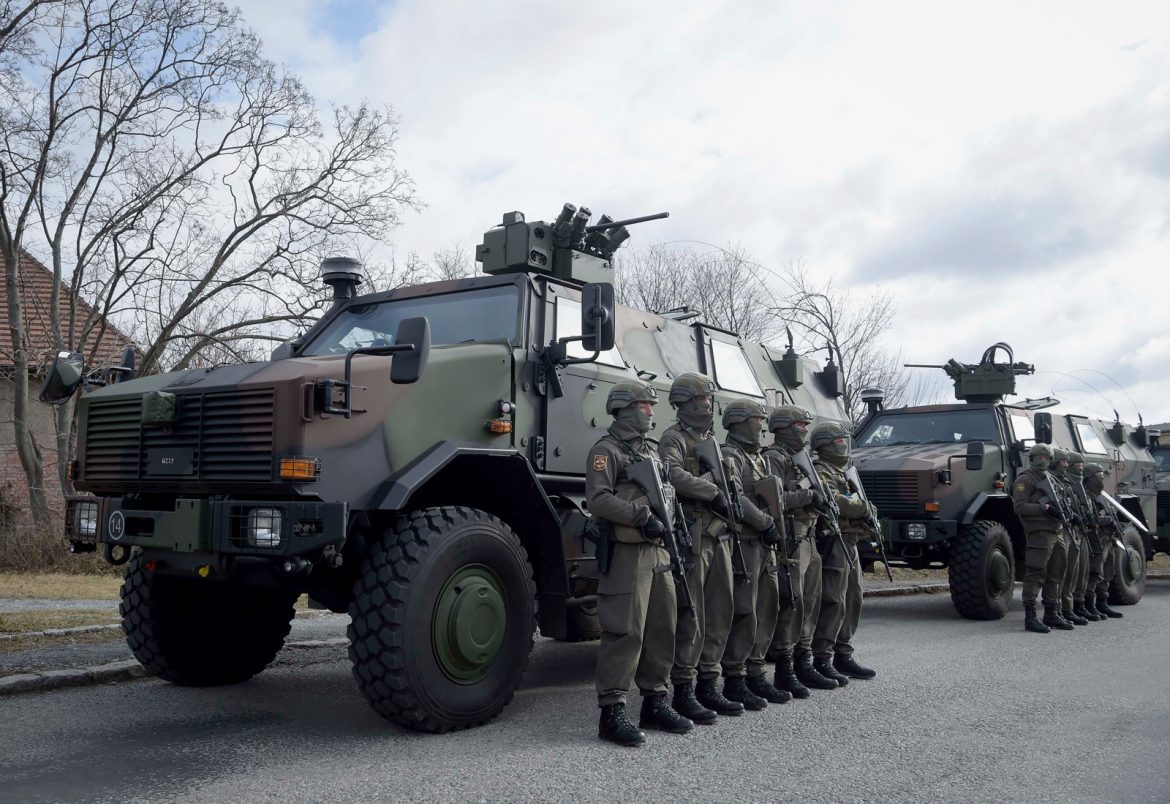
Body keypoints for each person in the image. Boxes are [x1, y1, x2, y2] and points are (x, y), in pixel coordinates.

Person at [588, 380, 692, 746]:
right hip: (628, 553)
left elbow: (668, 494)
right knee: (625, 630)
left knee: (662, 627)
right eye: (646, 405)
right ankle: (612, 711)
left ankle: (655, 701)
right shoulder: (607, 450)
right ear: (626, 407)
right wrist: (639, 516)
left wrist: (674, 529)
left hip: (660, 550)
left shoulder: (652, 451)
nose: (651, 411)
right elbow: (598, 499)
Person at [658, 373, 741, 720]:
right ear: (689, 402)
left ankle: (710, 682)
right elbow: (671, 475)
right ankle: (684, 688)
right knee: (692, 615)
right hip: (693, 534)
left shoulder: (713, 442)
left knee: (721, 610)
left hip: (719, 534)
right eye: (704, 399)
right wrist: (712, 489)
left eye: (709, 399)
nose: (709, 405)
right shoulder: (673, 438)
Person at [718, 398, 789, 709]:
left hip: (764, 542)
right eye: (757, 419)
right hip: (746, 541)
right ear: (740, 422)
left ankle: (757, 672)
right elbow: (735, 497)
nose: (762, 424)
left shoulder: (757, 457)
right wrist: (765, 523)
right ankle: (735, 677)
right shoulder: (730, 455)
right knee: (745, 611)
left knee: (766, 607)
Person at [762, 405, 834, 697]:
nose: (804, 429)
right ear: (784, 426)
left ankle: (804, 661)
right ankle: (785, 666)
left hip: (808, 535)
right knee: (791, 603)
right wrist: (808, 495)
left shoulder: (801, 459)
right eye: (800, 425)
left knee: (810, 601)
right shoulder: (774, 458)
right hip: (790, 537)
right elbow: (773, 499)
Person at [809, 421, 876, 684]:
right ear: (825, 444)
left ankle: (843, 653)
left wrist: (866, 510)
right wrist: (863, 508)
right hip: (832, 541)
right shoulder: (819, 471)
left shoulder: (844, 471)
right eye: (838, 441)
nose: (843, 445)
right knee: (833, 600)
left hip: (850, 540)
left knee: (853, 597)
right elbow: (835, 502)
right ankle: (822, 656)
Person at [1012, 443, 1072, 633]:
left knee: (1056, 572)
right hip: (1039, 533)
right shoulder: (1025, 480)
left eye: (1046, 458)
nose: (1043, 461)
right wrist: (1044, 508)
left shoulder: (1051, 479)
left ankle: (1051, 613)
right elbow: (1019, 507)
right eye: (1040, 457)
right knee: (1036, 573)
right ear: (1032, 458)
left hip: (1056, 531)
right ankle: (1030, 617)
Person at [1082, 463, 1124, 619]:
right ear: (1089, 478)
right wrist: (1107, 520)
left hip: (1107, 539)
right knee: (1095, 573)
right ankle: (1089, 604)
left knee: (1107, 572)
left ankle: (1102, 603)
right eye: (1098, 477)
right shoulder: (1085, 496)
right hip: (1096, 537)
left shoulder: (1099, 495)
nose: (1101, 480)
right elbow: (1091, 519)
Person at [1065, 452, 1102, 621]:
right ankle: (1067, 608)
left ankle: (1080, 605)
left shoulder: (1080, 486)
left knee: (1083, 570)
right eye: (1076, 466)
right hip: (1070, 532)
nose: (1080, 469)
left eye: (1082, 466)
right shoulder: (1066, 484)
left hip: (1083, 532)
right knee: (1070, 573)